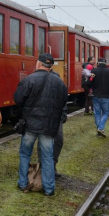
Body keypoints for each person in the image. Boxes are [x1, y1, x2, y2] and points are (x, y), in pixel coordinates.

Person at [14, 52, 68, 197]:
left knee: (25, 154)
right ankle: (49, 189)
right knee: (47, 156)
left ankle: (22, 183)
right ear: (51, 66)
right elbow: (63, 102)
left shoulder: (29, 80)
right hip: (48, 126)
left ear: (38, 63)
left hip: (30, 124)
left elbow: (18, 99)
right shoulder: (59, 83)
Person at [87, 57, 109, 137]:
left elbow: (89, 83)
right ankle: (100, 128)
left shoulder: (94, 71)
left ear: (98, 63)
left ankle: (99, 130)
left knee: (97, 113)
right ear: (105, 63)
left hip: (95, 95)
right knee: (106, 112)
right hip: (105, 96)